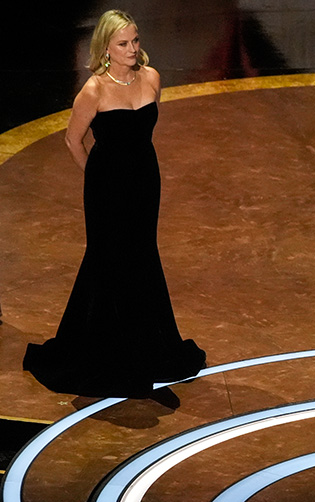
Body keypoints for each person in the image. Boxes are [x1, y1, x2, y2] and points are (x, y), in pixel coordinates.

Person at [23, 9, 205, 399]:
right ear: (105, 47)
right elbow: (73, 140)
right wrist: (97, 179)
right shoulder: (94, 90)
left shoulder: (152, 78)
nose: (132, 49)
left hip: (145, 182)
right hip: (106, 188)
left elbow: (141, 134)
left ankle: (150, 348)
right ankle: (109, 355)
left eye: (135, 41)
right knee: (110, 262)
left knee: (142, 257)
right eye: (123, 44)